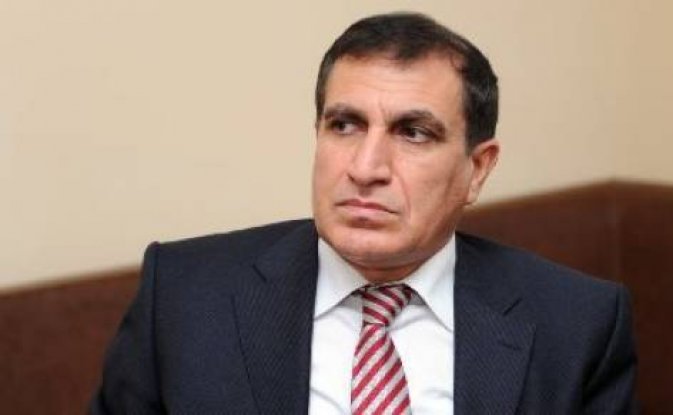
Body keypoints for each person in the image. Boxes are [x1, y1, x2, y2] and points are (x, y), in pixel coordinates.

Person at [91, 12, 637, 414]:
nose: (365, 167)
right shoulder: (184, 297)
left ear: (478, 168)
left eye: (413, 132)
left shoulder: (577, 325)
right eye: (345, 125)